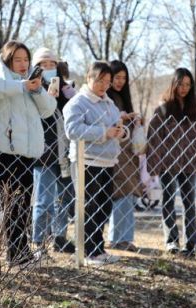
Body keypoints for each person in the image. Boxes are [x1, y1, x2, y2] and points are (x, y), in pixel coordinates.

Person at [0, 41, 56, 266]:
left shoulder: (30, 84)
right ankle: (15, 253)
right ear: (7, 60)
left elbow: (49, 109)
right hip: (5, 149)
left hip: (27, 151)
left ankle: (21, 250)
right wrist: (22, 86)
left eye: (26, 59)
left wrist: (36, 90)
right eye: (18, 59)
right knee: (12, 202)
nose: (23, 64)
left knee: (24, 201)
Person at [63, 61, 125, 265]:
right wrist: (103, 133)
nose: (104, 85)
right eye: (100, 80)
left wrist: (121, 132)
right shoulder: (78, 102)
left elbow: (118, 125)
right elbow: (72, 130)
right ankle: (88, 251)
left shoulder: (109, 102)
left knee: (104, 207)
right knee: (88, 207)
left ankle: (98, 248)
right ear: (89, 77)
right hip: (86, 161)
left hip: (107, 161)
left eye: (107, 82)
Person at [147, 68, 196, 257]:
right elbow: (154, 137)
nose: (184, 88)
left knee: (189, 202)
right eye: (180, 84)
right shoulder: (164, 109)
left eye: (187, 85)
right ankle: (171, 241)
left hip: (189, 163)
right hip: (168, 164)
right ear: (173, 84)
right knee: (168, 200)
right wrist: (154, 164)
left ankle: (192, 243)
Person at [30, 47, 77, 254]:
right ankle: (38, 241)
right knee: (43, 198)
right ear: (35, 67)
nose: (48, 68)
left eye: (52, 64)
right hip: (43, 151)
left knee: (65, 197)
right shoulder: (32, 88)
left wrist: (69, 96)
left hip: (65, 152)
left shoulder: (67, 90)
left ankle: (60, 237)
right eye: (43, 64)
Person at [106, 60, 142, 252]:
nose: (120, 82)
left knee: (128, 194)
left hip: (129, 155)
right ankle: (117, 238)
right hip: (115, 154)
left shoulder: (123, 99)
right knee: (121, 192)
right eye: (116, 77)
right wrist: (123, 117)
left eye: (123, 78)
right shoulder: (107, 99)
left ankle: (125, 238)